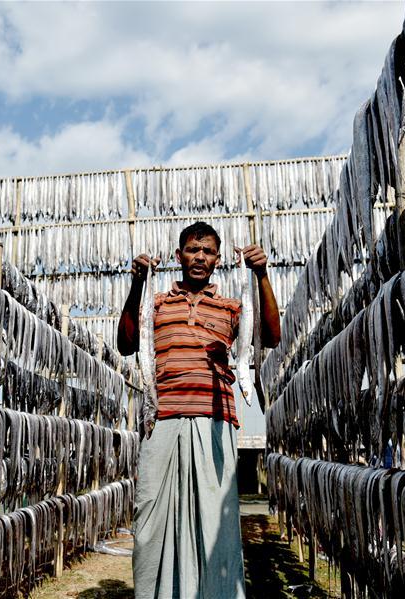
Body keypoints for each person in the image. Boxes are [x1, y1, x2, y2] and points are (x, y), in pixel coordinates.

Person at [117, 221, 281, 598]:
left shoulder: (231, 307)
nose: (199, 257)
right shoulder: (156, 303)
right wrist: (138, 284)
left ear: (218, 260)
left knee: (214, 527)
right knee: (151, 526)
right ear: (179, 255)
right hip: (162, 422)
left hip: (215, 425)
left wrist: (262, 276)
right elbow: (128, 344)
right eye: (193, 250)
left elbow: (271, 337)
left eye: (207, 252)